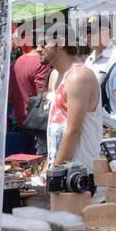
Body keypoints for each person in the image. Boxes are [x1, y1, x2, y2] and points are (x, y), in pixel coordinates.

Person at [43, 29, 102, 173]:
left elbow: (73, 130)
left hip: (79, 174)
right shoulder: (58, 75)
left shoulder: (79, 76)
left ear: (62, 43)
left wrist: (54, 172)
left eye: (43, 44)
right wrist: (47, 168)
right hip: (63, 172)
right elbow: (56, 131)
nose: (38, 49)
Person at [9, 35, 49, 152]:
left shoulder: (16, 62)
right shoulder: (41, 63)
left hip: (21, 122)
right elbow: (42, 95)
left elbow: (10, 96)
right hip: (38, 126)